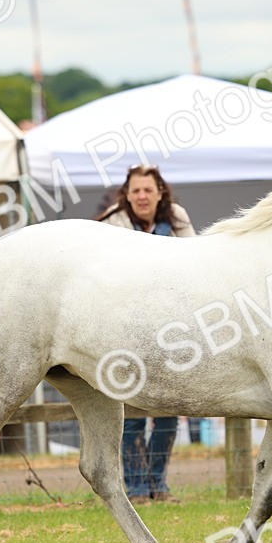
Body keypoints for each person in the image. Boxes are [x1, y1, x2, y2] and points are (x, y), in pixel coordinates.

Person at [98, 164, 195, 504]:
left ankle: (159, 483)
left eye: (148, 190)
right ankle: (138, 488)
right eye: (135, 190)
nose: (141, 196)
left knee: (169, 411)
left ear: (159, 193)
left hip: (171, 330)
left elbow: (196, 262)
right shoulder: (112, 222)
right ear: (127, 195)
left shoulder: (177, 218)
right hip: (126, 330)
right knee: (132, 412)